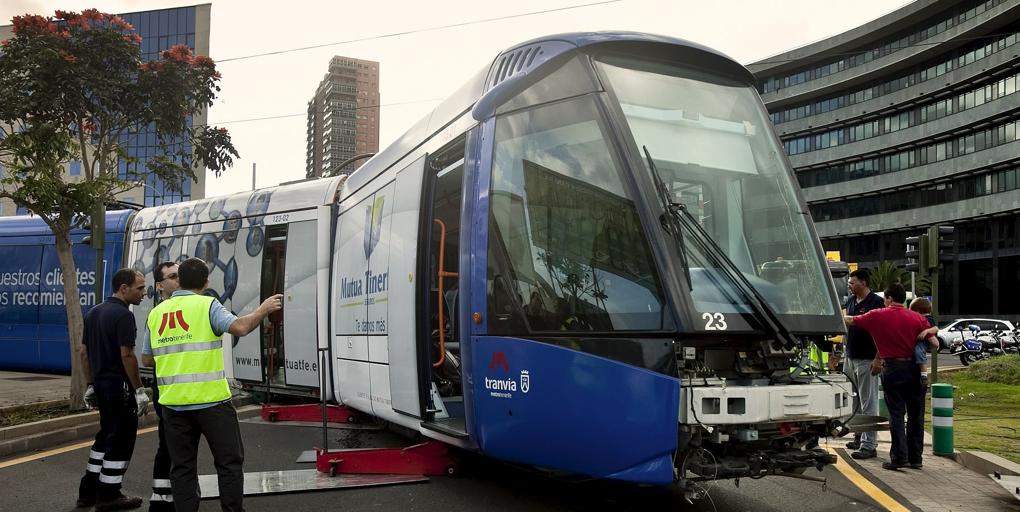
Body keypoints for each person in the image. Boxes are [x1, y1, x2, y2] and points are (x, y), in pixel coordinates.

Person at [142, 257, 282, 512]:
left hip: (173, 404)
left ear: (180, 281)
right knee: (229, 463)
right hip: (212, 403)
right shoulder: (208, 305)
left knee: (182, 468)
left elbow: (147, 357)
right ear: (206, 282)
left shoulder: (156, 313)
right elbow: (239, 328)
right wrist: (262, 310)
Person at [77, 268, 150, 511]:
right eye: (139, 288)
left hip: (101, 386)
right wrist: (139, 389)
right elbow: (127, 355)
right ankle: (109, 494)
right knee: (121, 440)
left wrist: (90, 385)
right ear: (123, 288)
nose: (144, 293)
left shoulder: (94, 312)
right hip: (121, 387)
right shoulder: (123, 316)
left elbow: (84, 353)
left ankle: (87, 491)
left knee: (104, 436)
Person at [844, 284, 939, 471]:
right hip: (916, 370)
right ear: (903, 299)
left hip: (894, 369)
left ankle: (899, 457)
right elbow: (935, 343)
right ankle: (916, 458)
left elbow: (851, 321)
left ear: (888, 298)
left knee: (896, 414)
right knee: (916, 416)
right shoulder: (918, 318)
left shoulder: (878, 315)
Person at [841, 269, 884, 460]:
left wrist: (878, 358)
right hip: (850, 357)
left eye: (852, 282)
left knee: (869, 402)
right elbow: (846, 329)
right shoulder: (851, 301)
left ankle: (869, 444)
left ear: (864, 283)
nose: (849, 285)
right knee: (854, 401)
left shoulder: (876, 303)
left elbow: (884, 334)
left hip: (867, 359)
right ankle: (859, 435)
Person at [146, 262, 179, 512]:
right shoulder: (158, 314)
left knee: (176, 445)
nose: (179, 279)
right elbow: (145, 359)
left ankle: (169, 494)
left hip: (175, 390)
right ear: (160, 285)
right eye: (173, 276)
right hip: (167, 391)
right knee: (168, 444)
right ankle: (160, 497)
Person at [908, 297, 939, 390]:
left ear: (917, 310)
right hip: (920, 341)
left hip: (923, 342)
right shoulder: (923, 318)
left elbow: (936, 328)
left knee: (918, 351)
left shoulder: (927, 318)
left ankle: (924, 375)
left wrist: (926, 331)